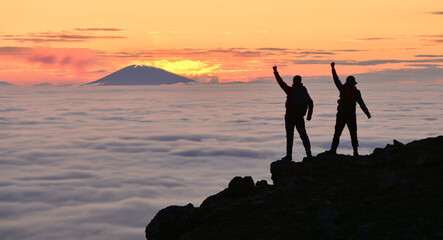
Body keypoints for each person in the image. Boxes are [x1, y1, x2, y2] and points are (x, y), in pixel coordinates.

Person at [327, 62, 371, 156]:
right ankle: (355, 152)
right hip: (351, 114)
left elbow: (336, 80)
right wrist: (367, 113)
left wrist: (333, 69)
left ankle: (333, 150)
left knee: (337, 133)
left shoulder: (342, 88)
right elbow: (361, 104)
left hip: (341, 114)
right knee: (353, 133)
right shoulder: (356, 91)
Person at [273, 66, 313, 160]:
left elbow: (281, 83)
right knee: (303, 136)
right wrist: (309, 116)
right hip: (300, 117)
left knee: (290, 137)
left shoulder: (290, 90)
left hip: (290, 116)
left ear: (294, 82)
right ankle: (309, 155)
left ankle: (289, 156)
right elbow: (311, 103)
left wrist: (275, 72)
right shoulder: (304, 91)